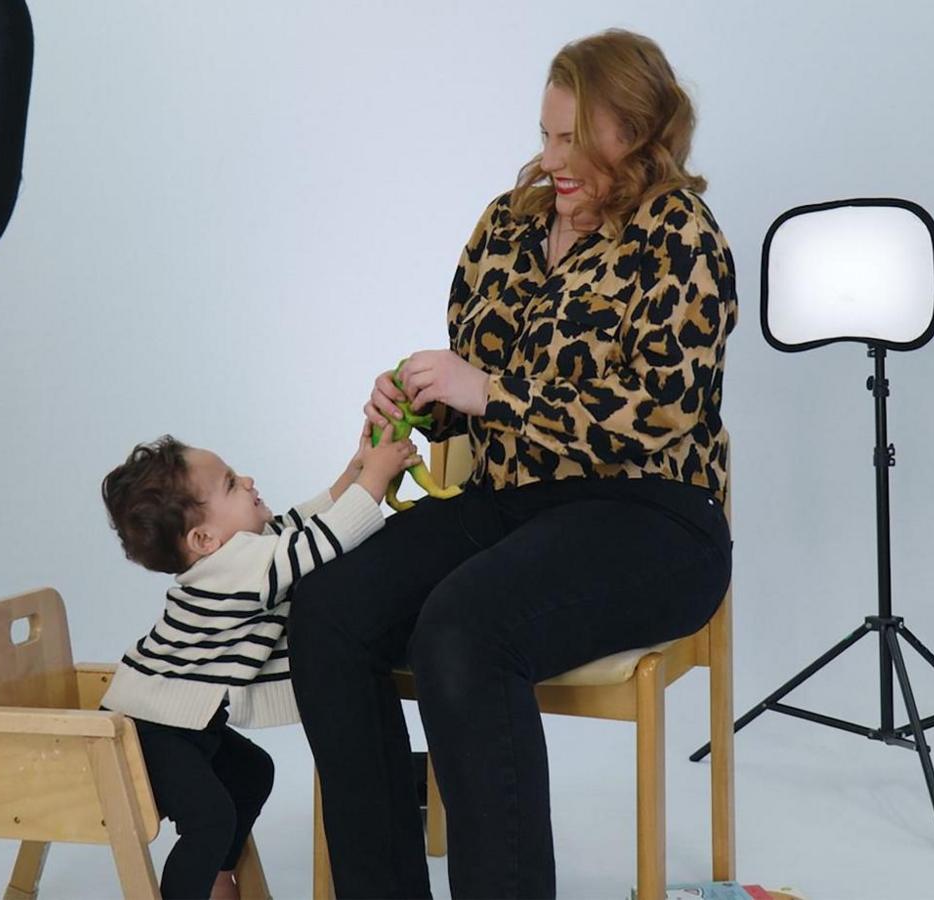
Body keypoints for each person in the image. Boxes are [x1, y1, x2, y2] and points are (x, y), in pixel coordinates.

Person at [287, 29, 738, 898]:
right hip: (508, 503)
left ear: (636, 131)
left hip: (652, 518)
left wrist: (494, 395)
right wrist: (412, 394)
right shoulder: (510, 220)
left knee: (464, 628)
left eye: (574, 138)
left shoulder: (683, 235)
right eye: (546, 134)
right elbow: (471, 369)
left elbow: (655, 414)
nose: (552, 158)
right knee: (327, 607)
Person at [98, 429, 418, 899]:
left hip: (186, 723)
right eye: (230, 483)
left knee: (253, 772)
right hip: (147, 727)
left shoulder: (245, 552)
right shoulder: (238, 569)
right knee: (209, 817)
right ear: (203, 538)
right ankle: (193, 888)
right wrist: (375, 479)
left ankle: (217, 873)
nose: (247, 480)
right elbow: (323, 540)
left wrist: (355, 471)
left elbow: (304, 521)